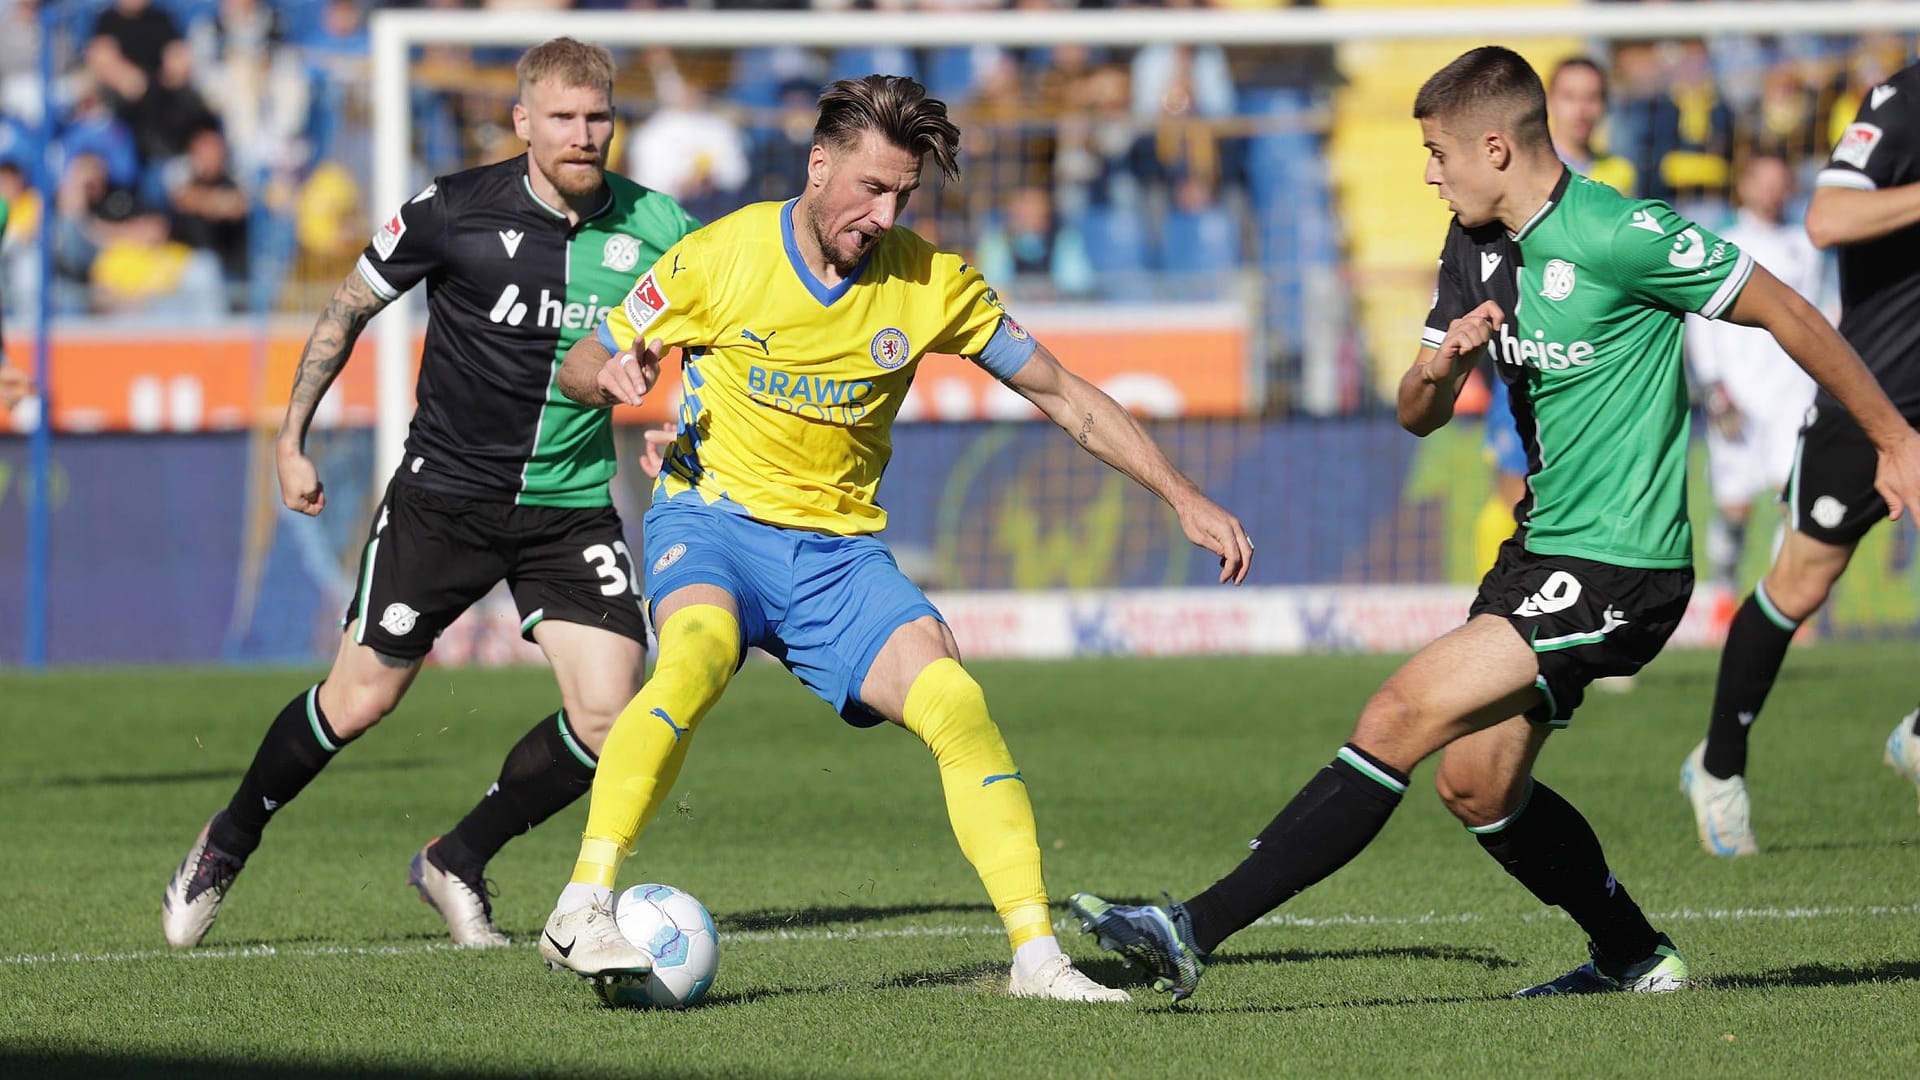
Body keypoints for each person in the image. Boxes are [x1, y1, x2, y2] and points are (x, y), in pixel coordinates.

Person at [1070, 45, 1920, 1002]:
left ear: (1495, 148)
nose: (1429, 174)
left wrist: (1892, 437)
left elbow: (1793, 313)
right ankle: (1638, 958)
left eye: (1438, 153)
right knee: (1476, 785)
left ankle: (1189, 928)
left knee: (1397, 713)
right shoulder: (1471, 247)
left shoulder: (1622, 233)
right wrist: (1446, 363)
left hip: (1620, 564)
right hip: (1539, 550)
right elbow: (1414, 410)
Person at [537, 74, 1253, 1004]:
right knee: (695, 658)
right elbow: (582, 358)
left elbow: (1066, 395)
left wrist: (1180, 495)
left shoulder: (930, 284)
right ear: (818, 164)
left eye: (902, 195)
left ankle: (1037, 959)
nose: (883, 213)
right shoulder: (718, 257)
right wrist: (615, 377)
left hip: (836, 556)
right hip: (712, 522)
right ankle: (583, 903)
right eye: (869, 188)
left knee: (955, 700)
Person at [161, 38, 700, 950]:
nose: (583, 135)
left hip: (569, 507)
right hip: (443, 498)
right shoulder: (451, 210)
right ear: (522, 122)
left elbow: (722, 338)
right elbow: (346, 309)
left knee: (614, 716)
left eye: (598, 117)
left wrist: (687, 420)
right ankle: (229, 837)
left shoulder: (664, 227)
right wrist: (291, 440)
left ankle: (456, 858)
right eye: (562, 118)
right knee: (360, 701)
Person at [1682, 60, 1920, 856]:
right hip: (1877, 396)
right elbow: (1828, 217)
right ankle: (1718, 766)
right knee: (1802, 580)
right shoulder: (1903, 99)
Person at [1474, 57, 1637, 579]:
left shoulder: (1621, 174)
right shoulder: (1521, 169)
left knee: (1579, 500)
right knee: (1516, 495)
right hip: (1528, 350)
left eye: (1592, 97)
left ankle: (1562, 624)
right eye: (1571, 96)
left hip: (1590, 360)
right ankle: (1498, 617)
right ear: (1547, 104)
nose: (1582, 109)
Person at [1681, 152, 1821, 630]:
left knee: (1794, 498)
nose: (1772, 191)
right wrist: (1714, 387)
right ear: (1744, 186)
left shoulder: (1805, 245)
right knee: (1733, 507)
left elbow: (1825, 314)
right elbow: (1699, 320)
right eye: (1763, 182)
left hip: (1793, 396)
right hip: (1738, 395)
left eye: (1780, 182)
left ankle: (1786, 610)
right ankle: (1724, 596)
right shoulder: (1724, 242)